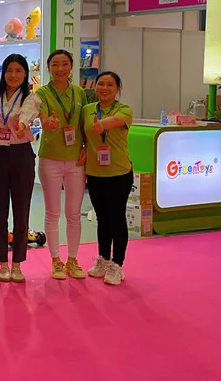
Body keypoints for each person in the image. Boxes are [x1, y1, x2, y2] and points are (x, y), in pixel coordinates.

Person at [0, 54, 40, 283]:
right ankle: (2, 263)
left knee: (21, 211)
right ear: (3, 73)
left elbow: (27, 113)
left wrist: (22, 123)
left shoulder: (31, 97)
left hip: (21, 155)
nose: (13, 75)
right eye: (9, 70)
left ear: (25, 73)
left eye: (18, 71)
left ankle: (17, 264)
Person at [36, 50, 88, 280]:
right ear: (49, 68)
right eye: (55, 64)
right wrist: (48, 123)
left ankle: (73, 260)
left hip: (76, 160)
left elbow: (85, 123)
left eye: (65, 64)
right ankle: (56, 260)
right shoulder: (43, 93)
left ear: (71, 67)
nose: (60, 69)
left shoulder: (79, 92)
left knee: (74, 213)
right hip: (51, 159)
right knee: (52, 212)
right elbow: (43, 118)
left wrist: (86, 147)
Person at [82, 71, 134, 286]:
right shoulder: (87, 109)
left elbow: (117, 121)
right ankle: (103, 260)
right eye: (100, 84)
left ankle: (117, 264)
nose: (104, 88)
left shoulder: (124, 110)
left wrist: (102, 124)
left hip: (119, 172)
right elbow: (83, 134)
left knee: (117, 218)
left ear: (118, 89)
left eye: (110, 85)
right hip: (95, 173)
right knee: (102, 218)